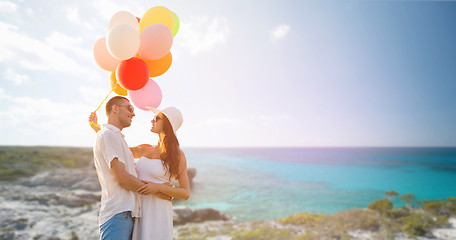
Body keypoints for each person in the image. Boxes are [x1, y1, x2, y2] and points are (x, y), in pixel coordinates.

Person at [89, 100, 190, 240]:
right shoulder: (145, 148)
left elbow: (185, 192)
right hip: (138, 208)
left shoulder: (178, 155)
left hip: (158, 209)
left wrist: (158, 188)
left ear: (168, 125)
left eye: (157, 118)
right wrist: (99, 129)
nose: (152, 120)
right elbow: (115, 147)